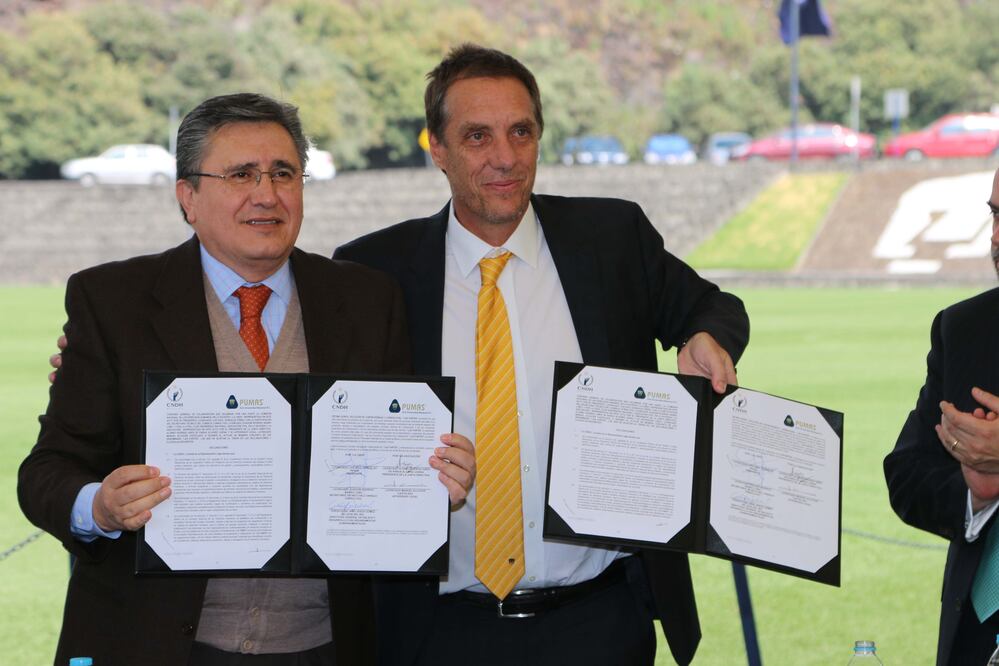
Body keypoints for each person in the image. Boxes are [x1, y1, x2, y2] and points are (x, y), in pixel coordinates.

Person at [21, 93, 474, 666]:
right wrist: (100, 507)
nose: (267, 193)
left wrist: (433, 479)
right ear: (188, 195)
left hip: (325, 646)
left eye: (283, 173)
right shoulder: (113, 301)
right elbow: (47, 471)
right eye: (241, 174)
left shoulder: (365, 299)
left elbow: (389, 465)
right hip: (157, 643)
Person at [334, 44, 750, 666]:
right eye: (477, 136)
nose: (504, 157)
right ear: (438, 151)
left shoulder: (610, 239)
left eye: (520, 132)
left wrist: (704, 338)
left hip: (599, 622)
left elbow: (711, 307)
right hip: (435, 631)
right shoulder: (373, 269)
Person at [885, 167, 999, 665]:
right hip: (976, 639)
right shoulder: (964, 328)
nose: (995, 236)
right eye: (995, 214)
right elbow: (907, 474)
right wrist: (976, 492)